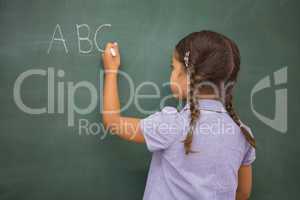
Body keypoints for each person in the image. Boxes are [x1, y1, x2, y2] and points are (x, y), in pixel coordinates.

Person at [101, 30, 256, 200]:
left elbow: (113, 122)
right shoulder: (242, 133)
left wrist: (111, 71)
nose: (172, 74)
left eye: (173, 67)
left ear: (188, 75)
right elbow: (242, 193)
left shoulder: (173, 124)